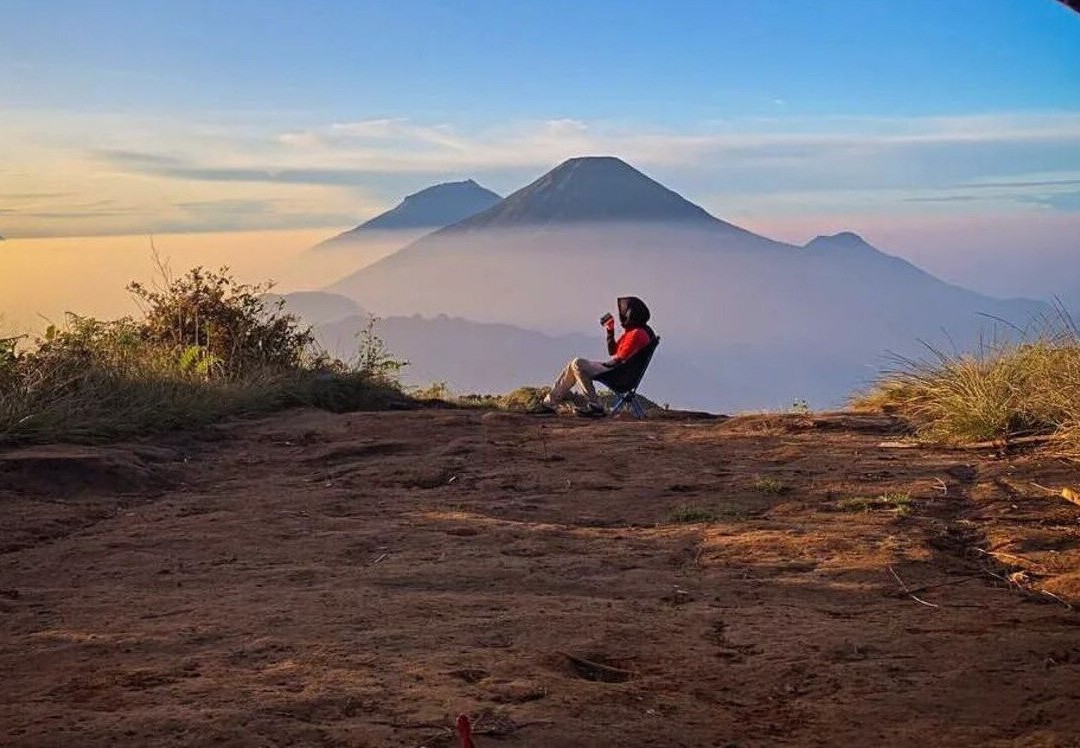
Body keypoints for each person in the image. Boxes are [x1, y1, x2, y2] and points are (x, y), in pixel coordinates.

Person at [538, 296, 656, 416]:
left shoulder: (637, 334)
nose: (622, 316)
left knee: (577, 363)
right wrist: (610, 329)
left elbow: (620, 357)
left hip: (619, 373)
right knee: (574, 365)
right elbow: (613, 351)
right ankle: (550, 402)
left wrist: (600, 364)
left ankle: (593, 404)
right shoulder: (634, 331)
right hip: (619, 369)